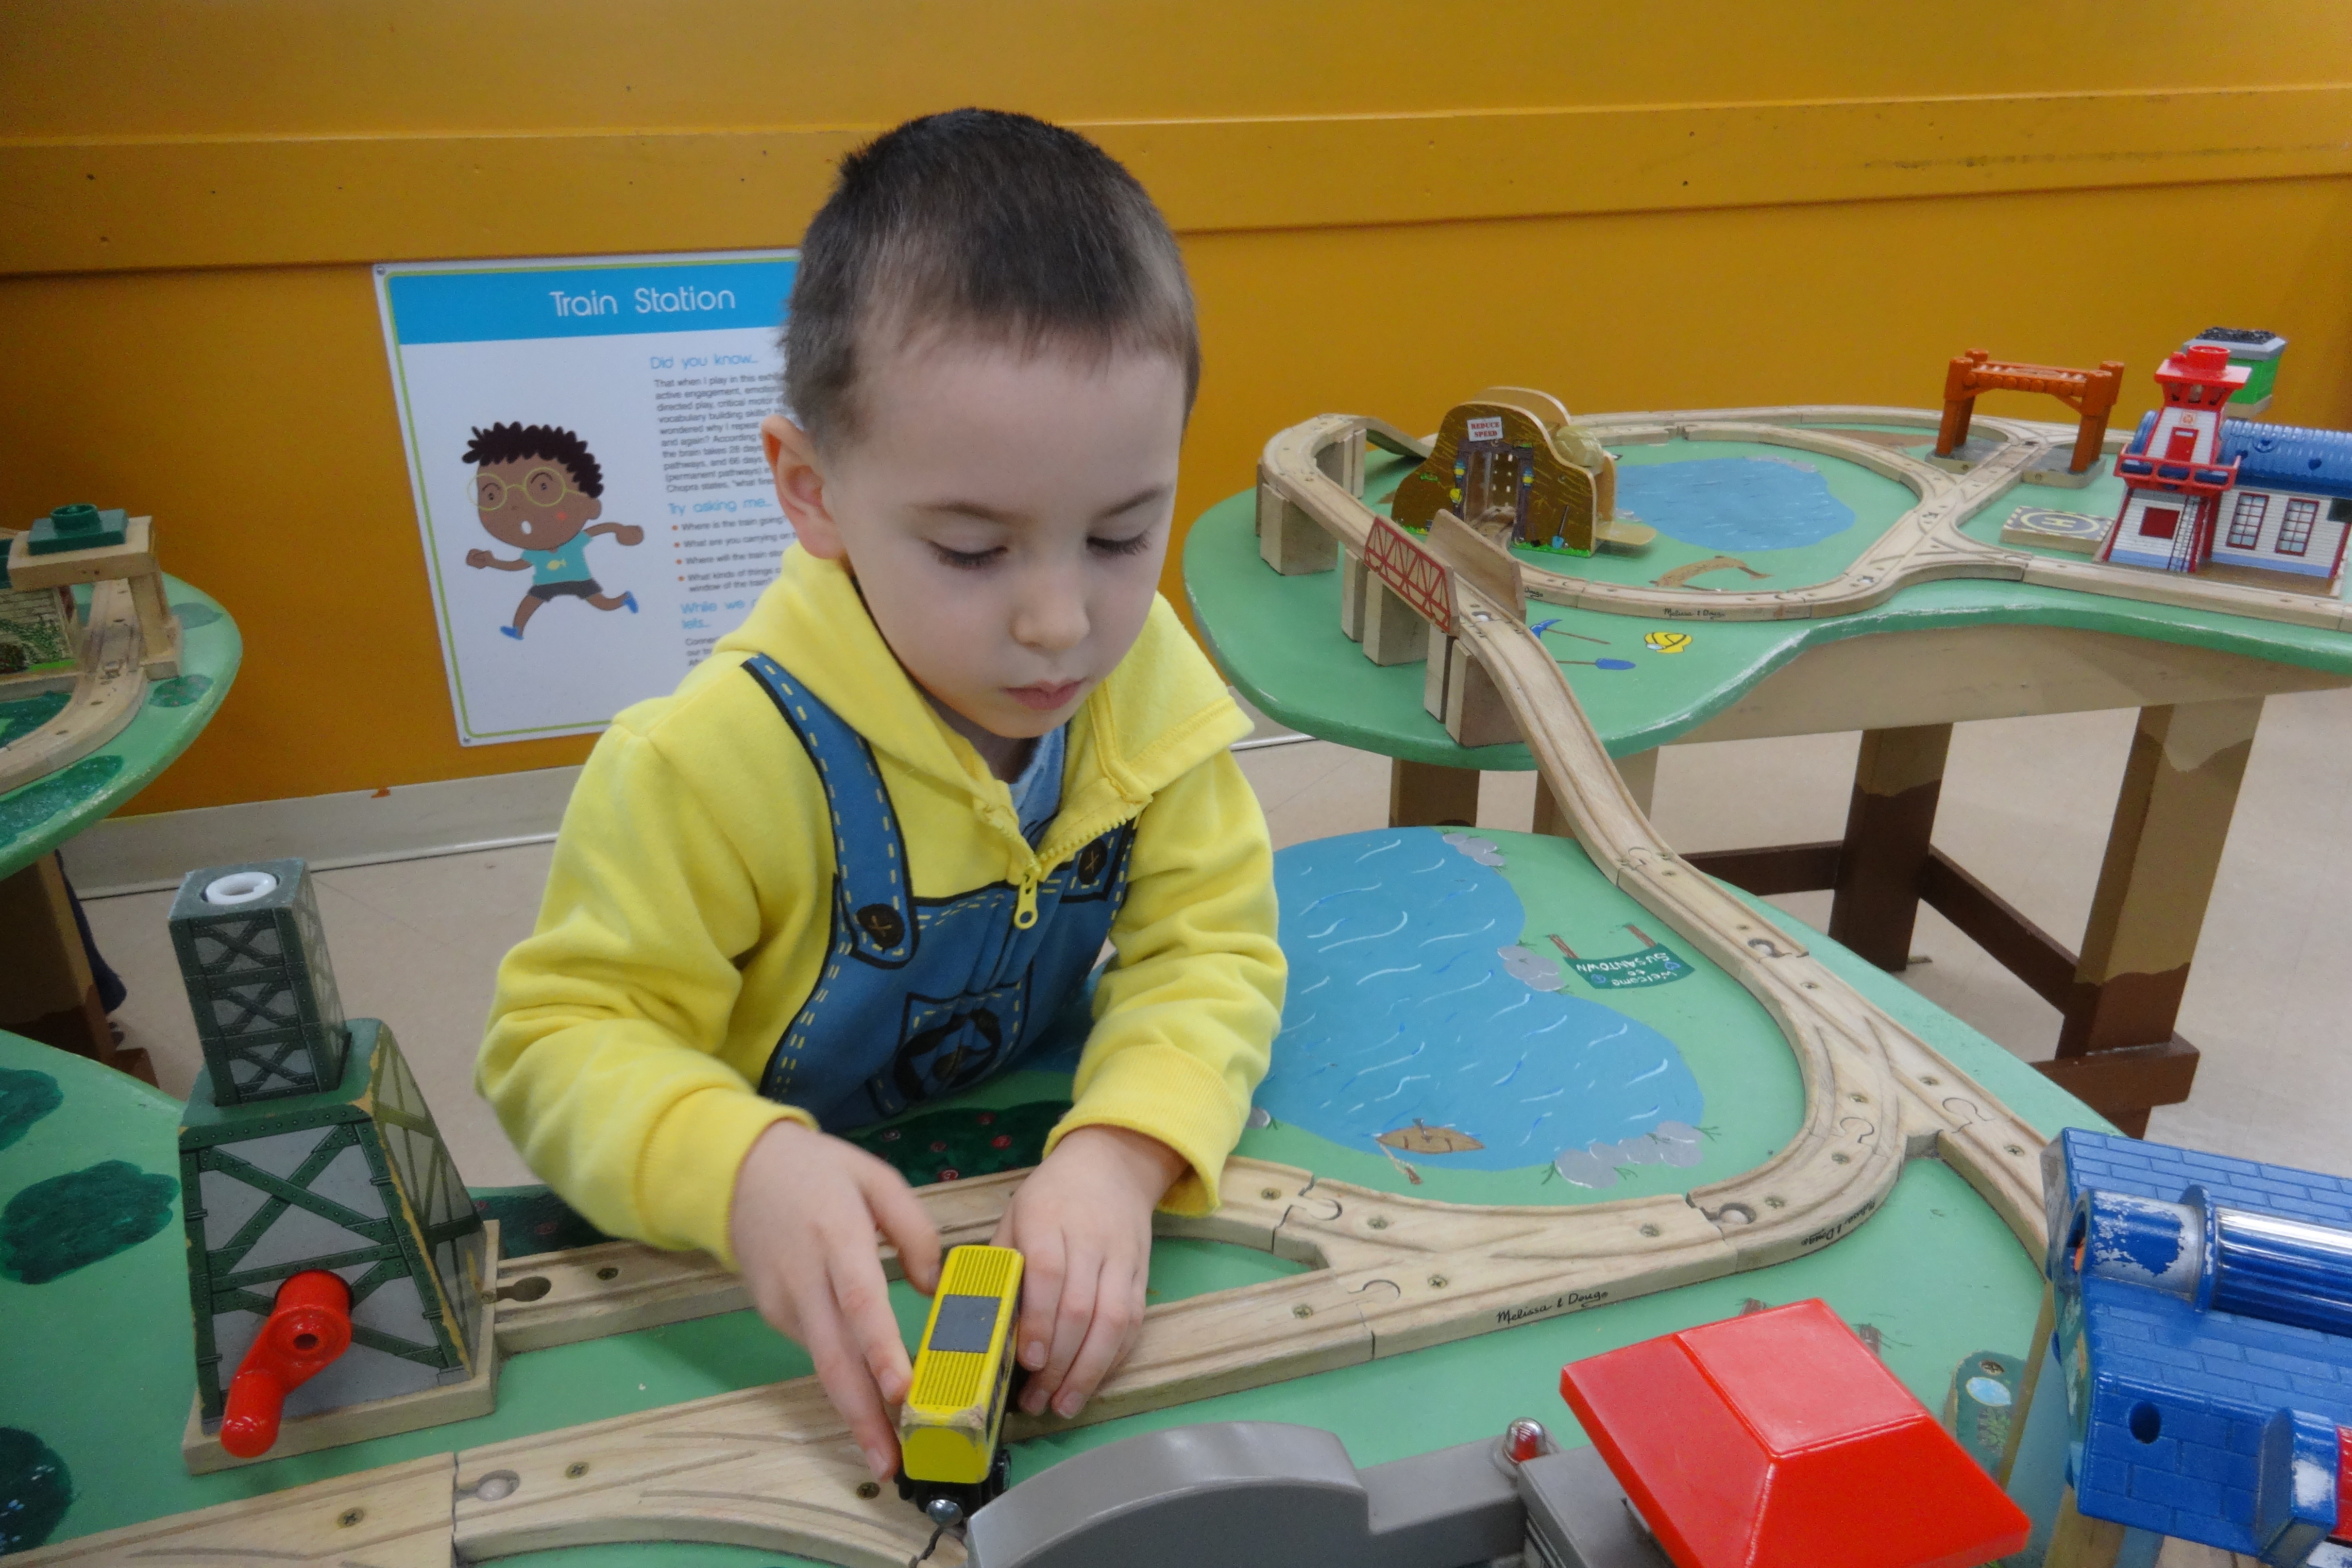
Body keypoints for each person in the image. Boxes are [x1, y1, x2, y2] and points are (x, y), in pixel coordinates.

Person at [477, 109, 1284, 1483]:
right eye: (971, 550)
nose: (1060, 623)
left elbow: (1208, 945)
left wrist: (1123, 1149)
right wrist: (738, 1167)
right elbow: (557, 1040)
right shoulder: (703, 762)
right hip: (759, 1268)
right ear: (812, 492)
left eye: (1119, 533)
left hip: (1018, 1176)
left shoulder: (1142, 680)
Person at [460, 421, 644, 639]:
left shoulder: (574, 542)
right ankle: (517, 630)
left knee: (602, 603)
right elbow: (517, 565)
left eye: (543, 487)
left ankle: (624, 599)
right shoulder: (534, 552)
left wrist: (620, 529)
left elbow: (599, 529)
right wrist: (492, 562)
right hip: (546, 583)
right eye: (492, 496)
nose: (516, 505)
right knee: (528, 604)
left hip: (579, 580)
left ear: (590, 505)